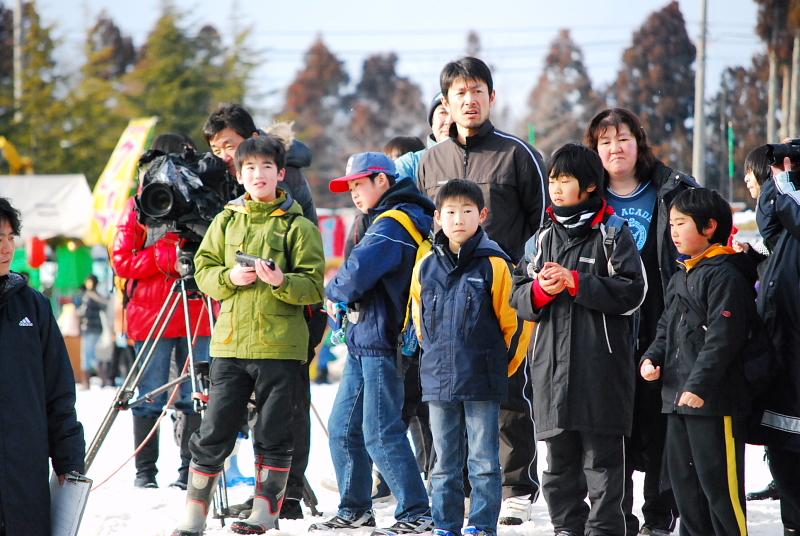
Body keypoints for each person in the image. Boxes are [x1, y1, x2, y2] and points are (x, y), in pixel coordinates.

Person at [171, 135, 325, 536]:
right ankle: (194, 514)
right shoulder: (225, 221)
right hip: (230, 344)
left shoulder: (299, 227)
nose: (259, 175)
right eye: (250, 168)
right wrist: (229, 277)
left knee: (274, 431)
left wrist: (281, 281)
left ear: (281, 173)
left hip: (281, 347)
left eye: (266, 167)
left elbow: (313, 287)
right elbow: (204, 270)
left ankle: (265, 511)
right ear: (239, 175)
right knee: (213, 430)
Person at [418, 56, 548, 524]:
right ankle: (457, 490)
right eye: (460, 93)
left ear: (492, 97)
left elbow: (541, 224)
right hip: (446, 292)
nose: (469, 100)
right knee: (449, 394)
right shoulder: (431, 160)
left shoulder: (518, 154)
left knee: (509, 388)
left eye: (477, 91)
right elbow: (426, 228)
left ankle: (515, 486)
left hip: (503, 288)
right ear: (446, 102)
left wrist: (524, 278)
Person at [510, 143, 646, 536]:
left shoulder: (612, 233)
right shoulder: (541, 238)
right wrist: (541, 291)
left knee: (603, 467)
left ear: (589, 186)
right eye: (552, 180)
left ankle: (604, 531)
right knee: (557, 467)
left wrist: (576, 283)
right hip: (551, 373)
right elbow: (518, 295)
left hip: (601, 372)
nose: (555, 187)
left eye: (564, 180)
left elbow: (633, 292)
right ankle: (567, 528)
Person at [584, 108, 699, 535]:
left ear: (639, 142)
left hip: (663, 321)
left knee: (661, 419)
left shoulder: (670, 189)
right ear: (594, 149)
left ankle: (659, 515)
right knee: (613, 425)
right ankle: (619, 516)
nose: (615, 149)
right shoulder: (586, 198)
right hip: (606, 328)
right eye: (605, 142)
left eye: (623, 139)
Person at [311, 152, 434, 535]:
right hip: (366, 338)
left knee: (381, 431)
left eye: (359, 184)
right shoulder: (387, 218)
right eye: (349, 186)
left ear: (383, 180)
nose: (353, 193)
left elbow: (352, 276)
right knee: (344, 428)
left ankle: (416, 512)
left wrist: (333, 289)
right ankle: (355, 508)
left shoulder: (393, 222)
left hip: (383, 341)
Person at [410, 179, 531, 536]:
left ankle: (481, 525)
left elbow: (515, 325)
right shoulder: (425, 265)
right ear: (437, 217)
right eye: (450, 212)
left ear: (483, 215)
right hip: (439, 381)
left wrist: (501, 368)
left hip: (482, 380)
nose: (458, 219)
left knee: (483, 462)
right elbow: (419, 321)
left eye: (467, 211)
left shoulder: (495, 264)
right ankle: (445, 525)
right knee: (444, 463)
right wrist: (433, 361)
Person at [640, 188, 754, 536]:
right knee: (685, 489)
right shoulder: (682, 274)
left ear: (709, 227)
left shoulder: (725, 275)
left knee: (720, 490)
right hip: (677, 398)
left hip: (713, 401)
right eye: (672, 224)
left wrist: (699, 386)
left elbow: (723, 338)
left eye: (681, 223)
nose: (673, 231)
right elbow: (666, 327)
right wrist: (651, 357)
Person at [111, 132, 212, 490]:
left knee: (195, 394)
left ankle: (189, 472)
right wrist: (163, 256)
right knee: (149, 394)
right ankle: (145, 473)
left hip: (196, 311)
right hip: (152, 315)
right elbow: (121, 260)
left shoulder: (202, 198)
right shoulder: (139, 204)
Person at [0, 197, 86, 536]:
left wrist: (68, 459)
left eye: (10, 237)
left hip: (24, 471)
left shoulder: (33, 305)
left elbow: (58, 389)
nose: (6, 247)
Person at [753, 151, 800, 533]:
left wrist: (786, 183)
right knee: (784, 452)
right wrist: (776, 182)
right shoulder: (785, 219)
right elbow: (768, 223)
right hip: (782, 351)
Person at [395, 92, 453, 183]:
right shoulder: (410, 165)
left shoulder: (476, 160)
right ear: (432, 121)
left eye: (455, 113)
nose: (449, 121)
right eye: (443, 112)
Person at [78, 274, 110, 387]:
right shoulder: (96, 295)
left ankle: (88, 382)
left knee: (88, 355)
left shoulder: (90, 296)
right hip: (95, 328)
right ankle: (102, 379)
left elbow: (84, 312)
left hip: (90, 328)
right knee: (93, 355)